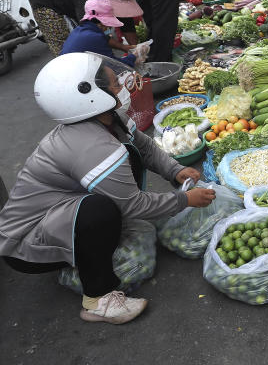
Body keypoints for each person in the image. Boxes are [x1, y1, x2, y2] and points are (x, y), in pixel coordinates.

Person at [0, 52, 216, 324]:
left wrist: (174, 170)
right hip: (25, 244)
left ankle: (87, 243)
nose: (123, 86)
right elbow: (134, 205)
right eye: (114, 84)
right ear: (89, 95)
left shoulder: (108, 119)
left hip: (57, 215)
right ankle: (97, 298)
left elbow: (145, 146)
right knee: (100, 211)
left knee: (116, 190)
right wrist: (185, 200)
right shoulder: (91, 146)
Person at [28, 0, 142, 56]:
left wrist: (135, 48)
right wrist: (122, 47)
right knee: (62, 47)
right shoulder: (87, 0)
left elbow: (126, 22)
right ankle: (69, 80)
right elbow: (93, 35)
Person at [60, 0, 142, 67]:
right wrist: (135, 55)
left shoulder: (80, 30)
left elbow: (105, 40)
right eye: (108, 24)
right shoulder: (95, 37)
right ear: (100, 23)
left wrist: (124, 47)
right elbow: (116, 66)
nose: (110, 28)